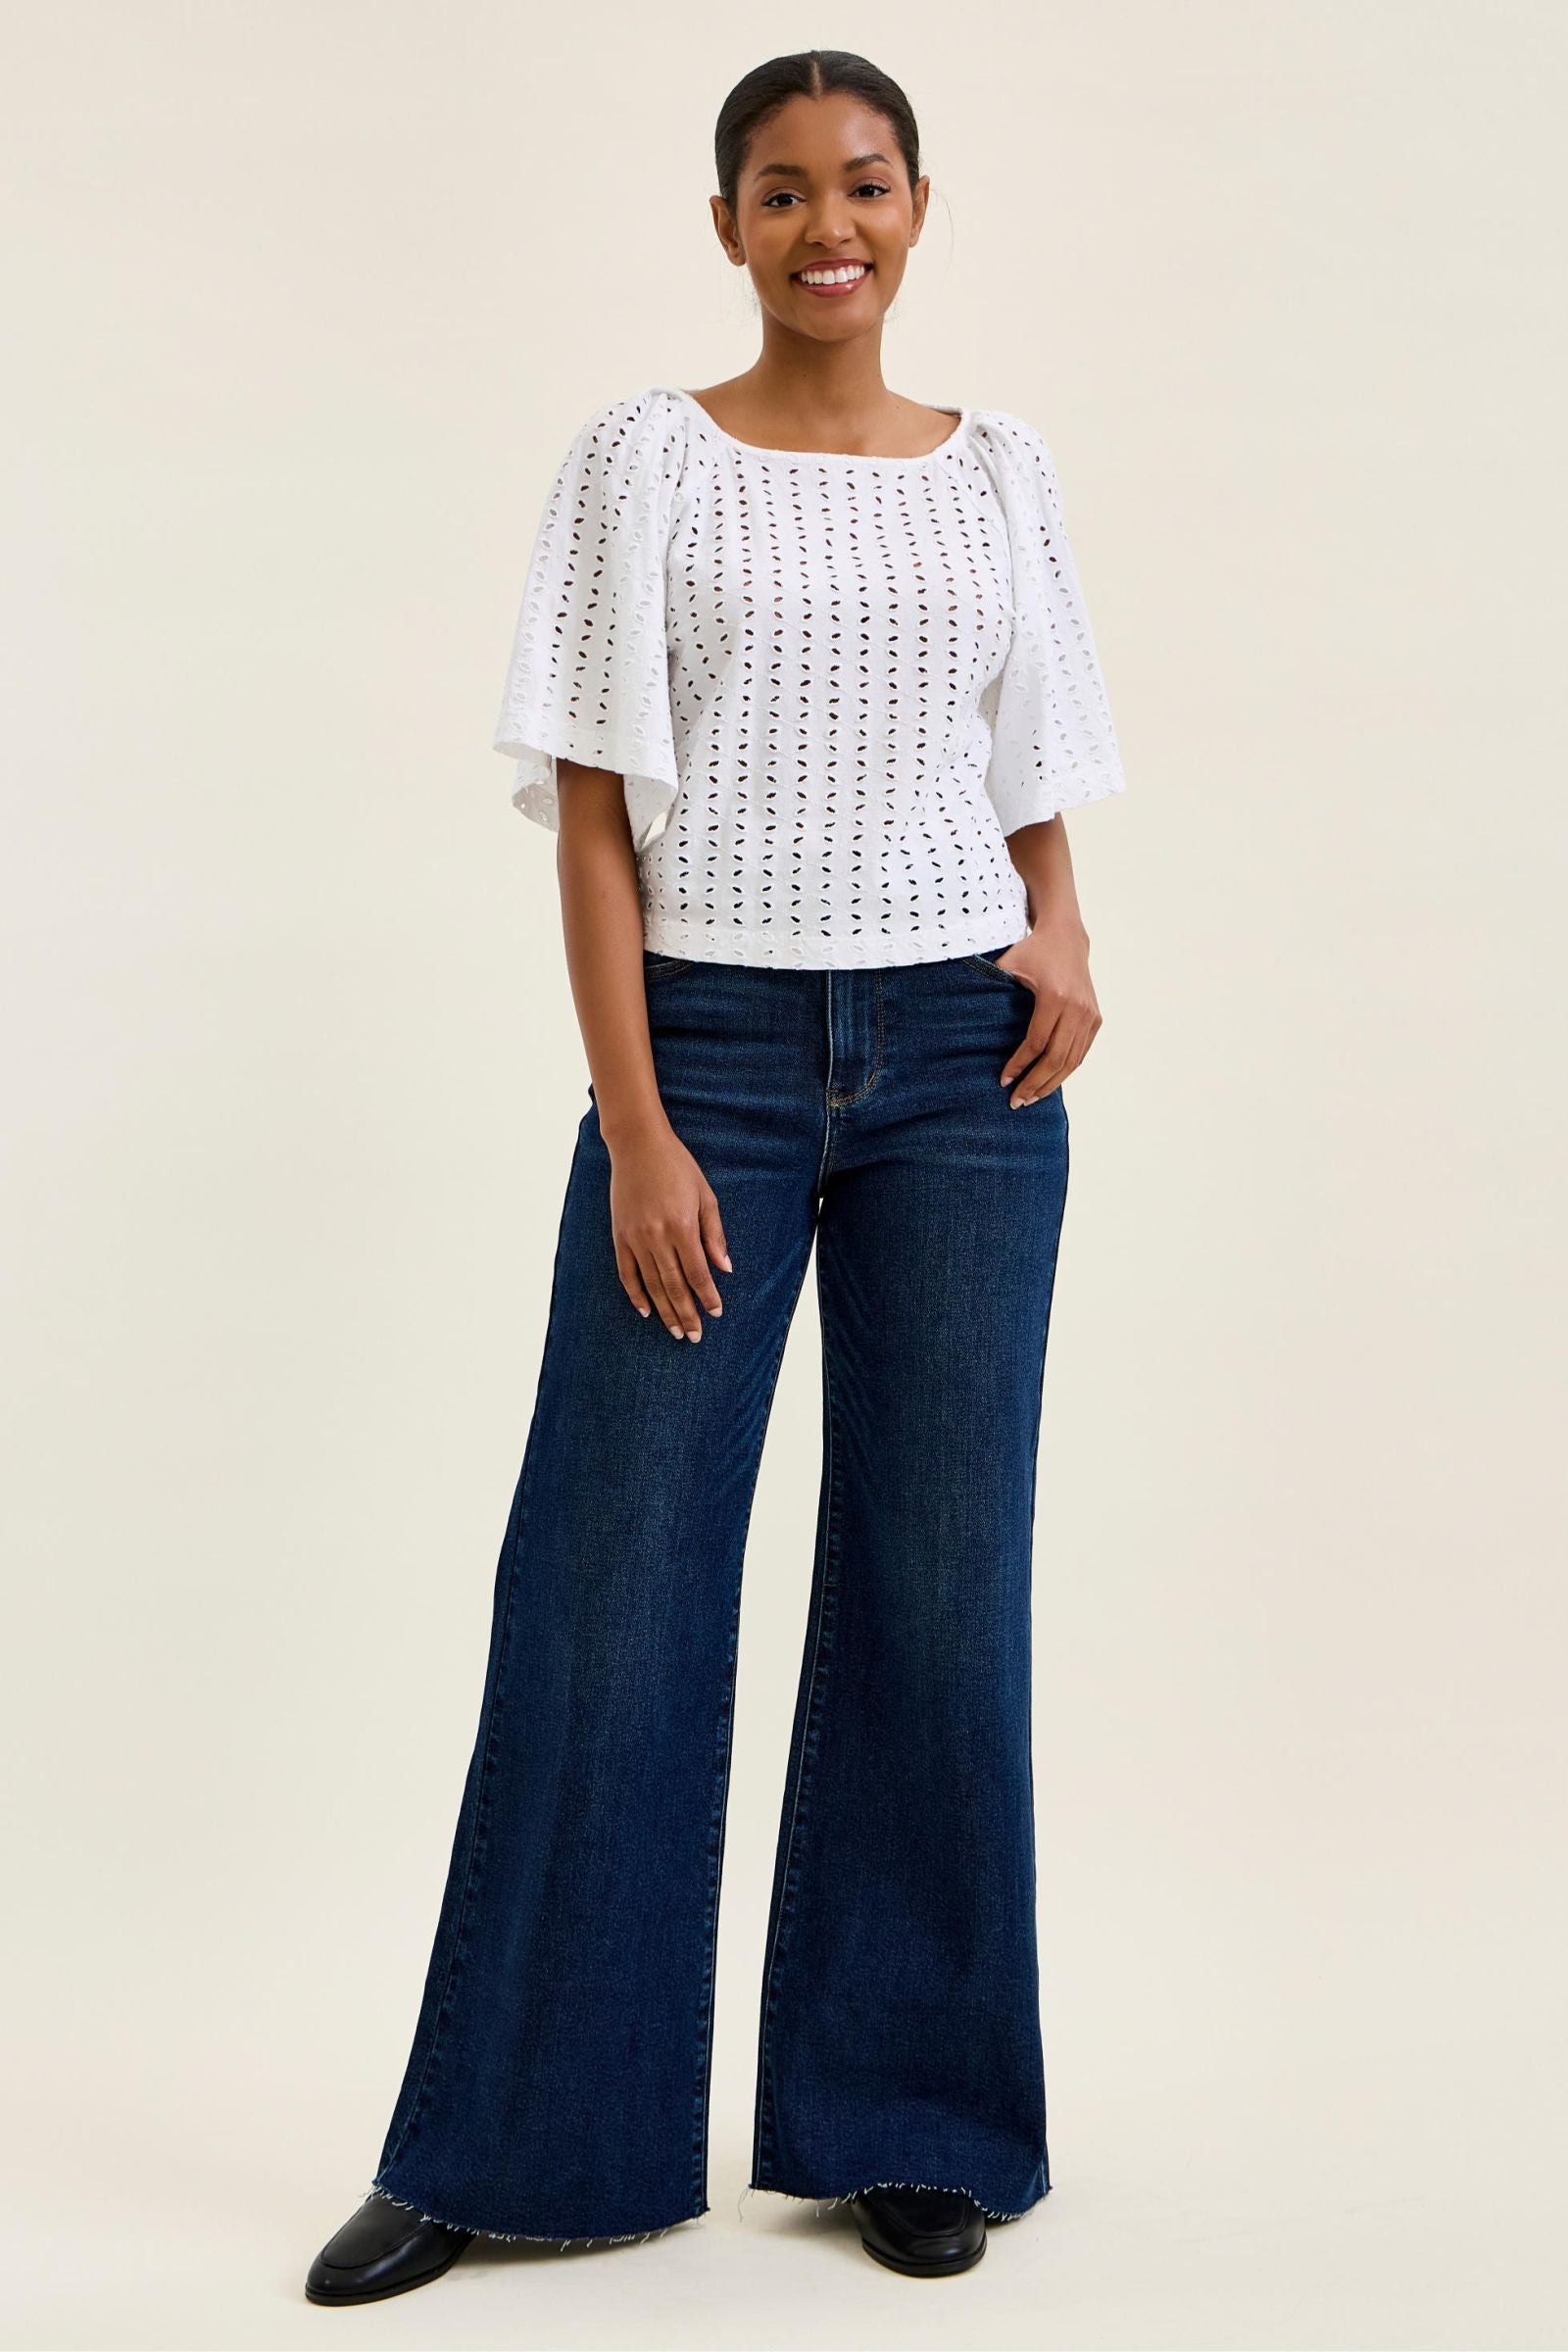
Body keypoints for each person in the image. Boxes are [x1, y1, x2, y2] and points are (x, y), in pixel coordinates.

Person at [305, 44, 1127, 2307]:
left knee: (937, 1586)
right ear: (726, 224)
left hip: (965, 1071)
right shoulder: (643, 458)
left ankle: (910, 2120)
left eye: (862, 183)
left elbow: (1030, 750)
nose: (824, 225)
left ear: (917, 206)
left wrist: (1059, 927)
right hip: (716, 1066)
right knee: (610, 1586)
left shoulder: (999, 469)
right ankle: (508, 2143)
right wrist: (642, 1118)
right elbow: (589, 807)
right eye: (780, 190)